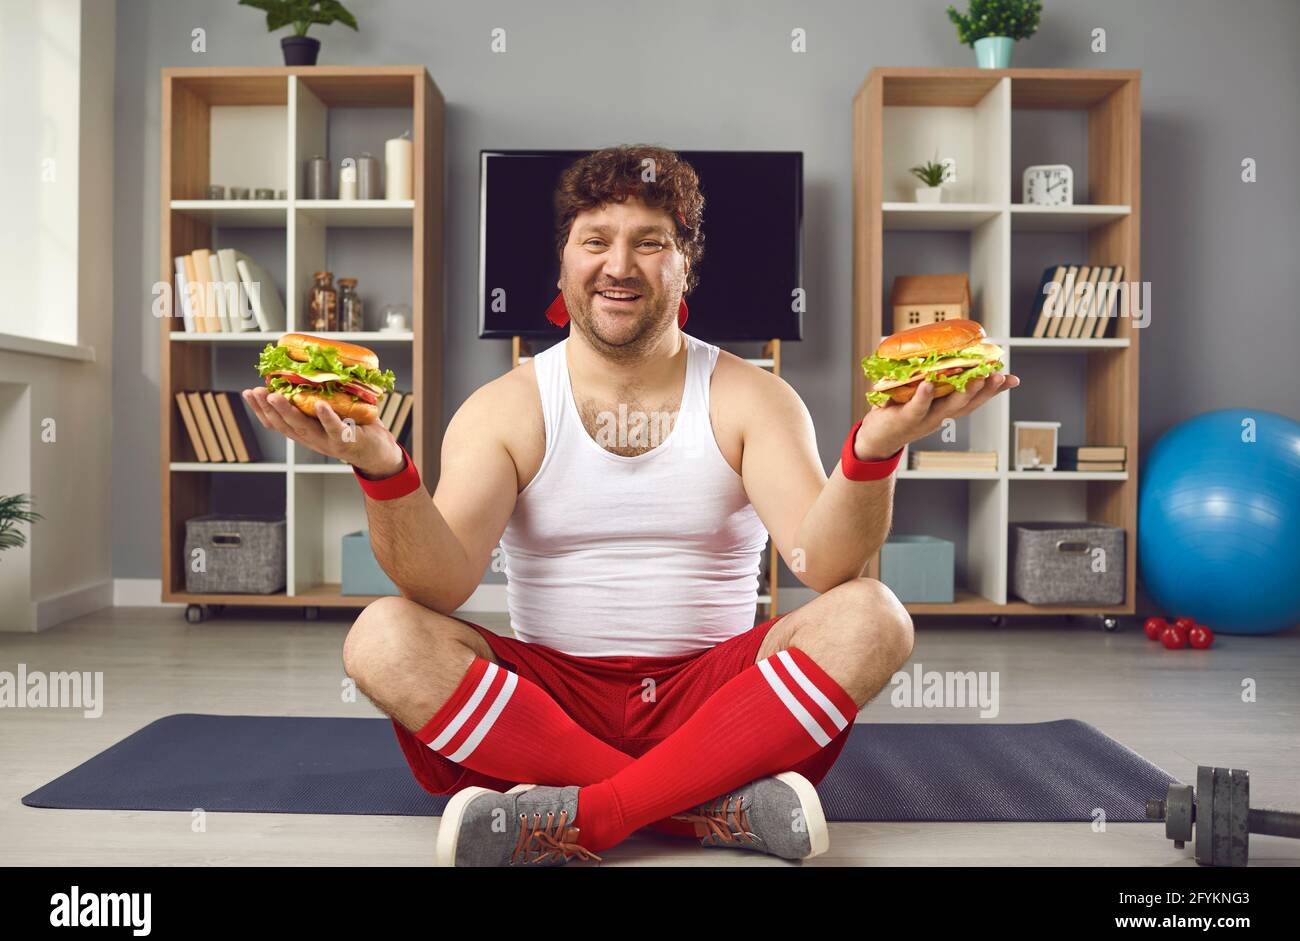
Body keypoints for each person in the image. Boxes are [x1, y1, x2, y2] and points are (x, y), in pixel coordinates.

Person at [242, 144, 1019, 867]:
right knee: (381, 636)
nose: (620, 265)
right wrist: (382, 469)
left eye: (650, 242)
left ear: (687, 266)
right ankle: (701, 808)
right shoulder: (503, 408)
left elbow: (827, 568)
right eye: (596, 239)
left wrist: (876, 449)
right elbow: (440, 587)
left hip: (718, 702)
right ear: (563, 261)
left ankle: (588, 816)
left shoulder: (755, 398)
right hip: (547, 709)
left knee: (875, 614)